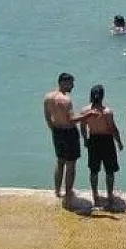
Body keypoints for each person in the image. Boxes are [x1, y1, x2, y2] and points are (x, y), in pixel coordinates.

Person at [78, 84, 124, 207]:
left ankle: (95, 195)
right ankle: (109, 196)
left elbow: (82, 128)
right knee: (109, 171)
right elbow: (113, 129)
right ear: (102, 96)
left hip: (93, 139)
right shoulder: (107, 112)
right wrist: (119, 142)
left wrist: (85, 140)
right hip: (107, 141)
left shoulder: (85, 110)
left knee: (94, 170)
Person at [43, 73, 82, 203]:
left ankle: (57, 191)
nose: (73, 86)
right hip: (69, 133)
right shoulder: (66, 100)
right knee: (71, 164)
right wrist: (87, 116)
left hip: (56, 131)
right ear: (63, 83)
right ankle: (68, 192)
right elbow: (71, 120)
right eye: (71, 83)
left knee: (60, 162)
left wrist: (53, 129)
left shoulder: (48, 97)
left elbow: (47, 116)